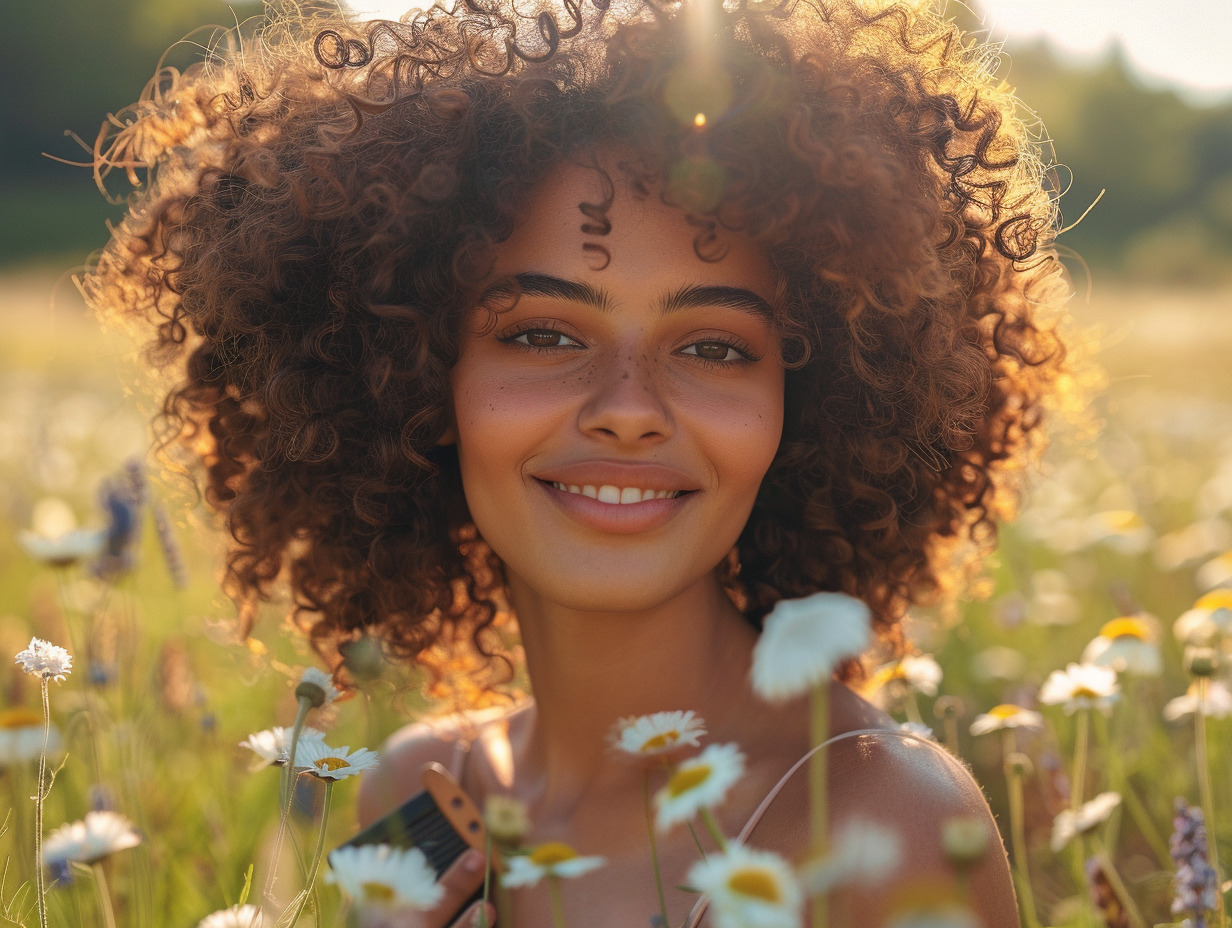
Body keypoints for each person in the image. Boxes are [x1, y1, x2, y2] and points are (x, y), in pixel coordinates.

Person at [83, 0, 1071, 923]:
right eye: (544, 335)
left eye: (713, 347)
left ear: (806, 410)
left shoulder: (870, 822)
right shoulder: (421, 797)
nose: (629, 412)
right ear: (414, 379)